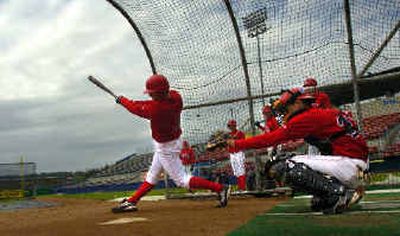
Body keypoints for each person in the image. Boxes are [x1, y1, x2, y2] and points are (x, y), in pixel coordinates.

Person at [227, 87, 368, 214]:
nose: (284, 112)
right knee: (317, 197)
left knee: (282, 164)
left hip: (349, 166)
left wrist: (236, 144)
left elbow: (269, 139)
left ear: (299, 103)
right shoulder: (327, 112)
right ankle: (338, 191)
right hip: (358, 166)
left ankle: (336, 193)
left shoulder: (305, 118)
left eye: (287, 107)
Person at [111, 74, 229, 213]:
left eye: (152, 94)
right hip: (174, 141)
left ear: (159, 93)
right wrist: (124, 100)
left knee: (181, 180)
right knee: (153, 175)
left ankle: (220, 189)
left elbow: (136, 108)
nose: (150, 96)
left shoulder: (156, 110)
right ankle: (132, 201)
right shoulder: (176, 97)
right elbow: (145, 104)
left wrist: (122, 100)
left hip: (166, 147)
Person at [227, 119, 247, 191]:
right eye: (229, 125)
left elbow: (243, 143)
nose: (230, 127)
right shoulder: (228, 135)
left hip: (239, 153)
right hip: (232, 154)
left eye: (231, 125)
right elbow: (226, 143)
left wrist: (236, 141)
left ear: (234, 126)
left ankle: (243, 188)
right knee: (236, 172)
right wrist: (230, 139)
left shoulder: (240, 134)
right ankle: (240, 188)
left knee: (241, 171)